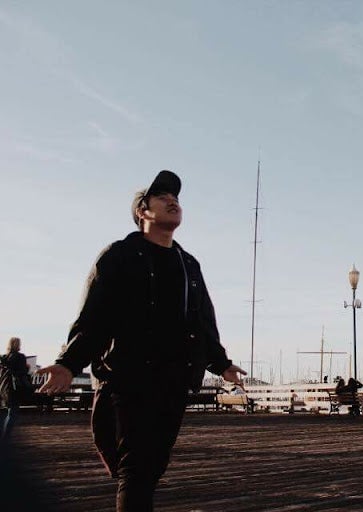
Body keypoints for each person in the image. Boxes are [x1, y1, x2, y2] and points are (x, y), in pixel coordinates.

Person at [37, 170, 246, 512]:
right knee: (135, 469)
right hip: (127, 379)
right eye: (162, 197)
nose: (172, 201)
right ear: (142, 212)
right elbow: (94, 317)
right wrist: (69, 363)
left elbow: (202, 320)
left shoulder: (188, 264)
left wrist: (221, 363)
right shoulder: (119, 256)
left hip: (174, 381)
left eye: (175, 197)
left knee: (149, 469)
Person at [1, 337, 31, 438]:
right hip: (15, 388)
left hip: (4, 387)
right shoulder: (20, 357)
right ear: (18, 344)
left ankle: (4, 434)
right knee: (13, 414)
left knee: (9, 412)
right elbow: (22, 372)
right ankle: (5, 436)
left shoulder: (4, 358)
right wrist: (27, 368)